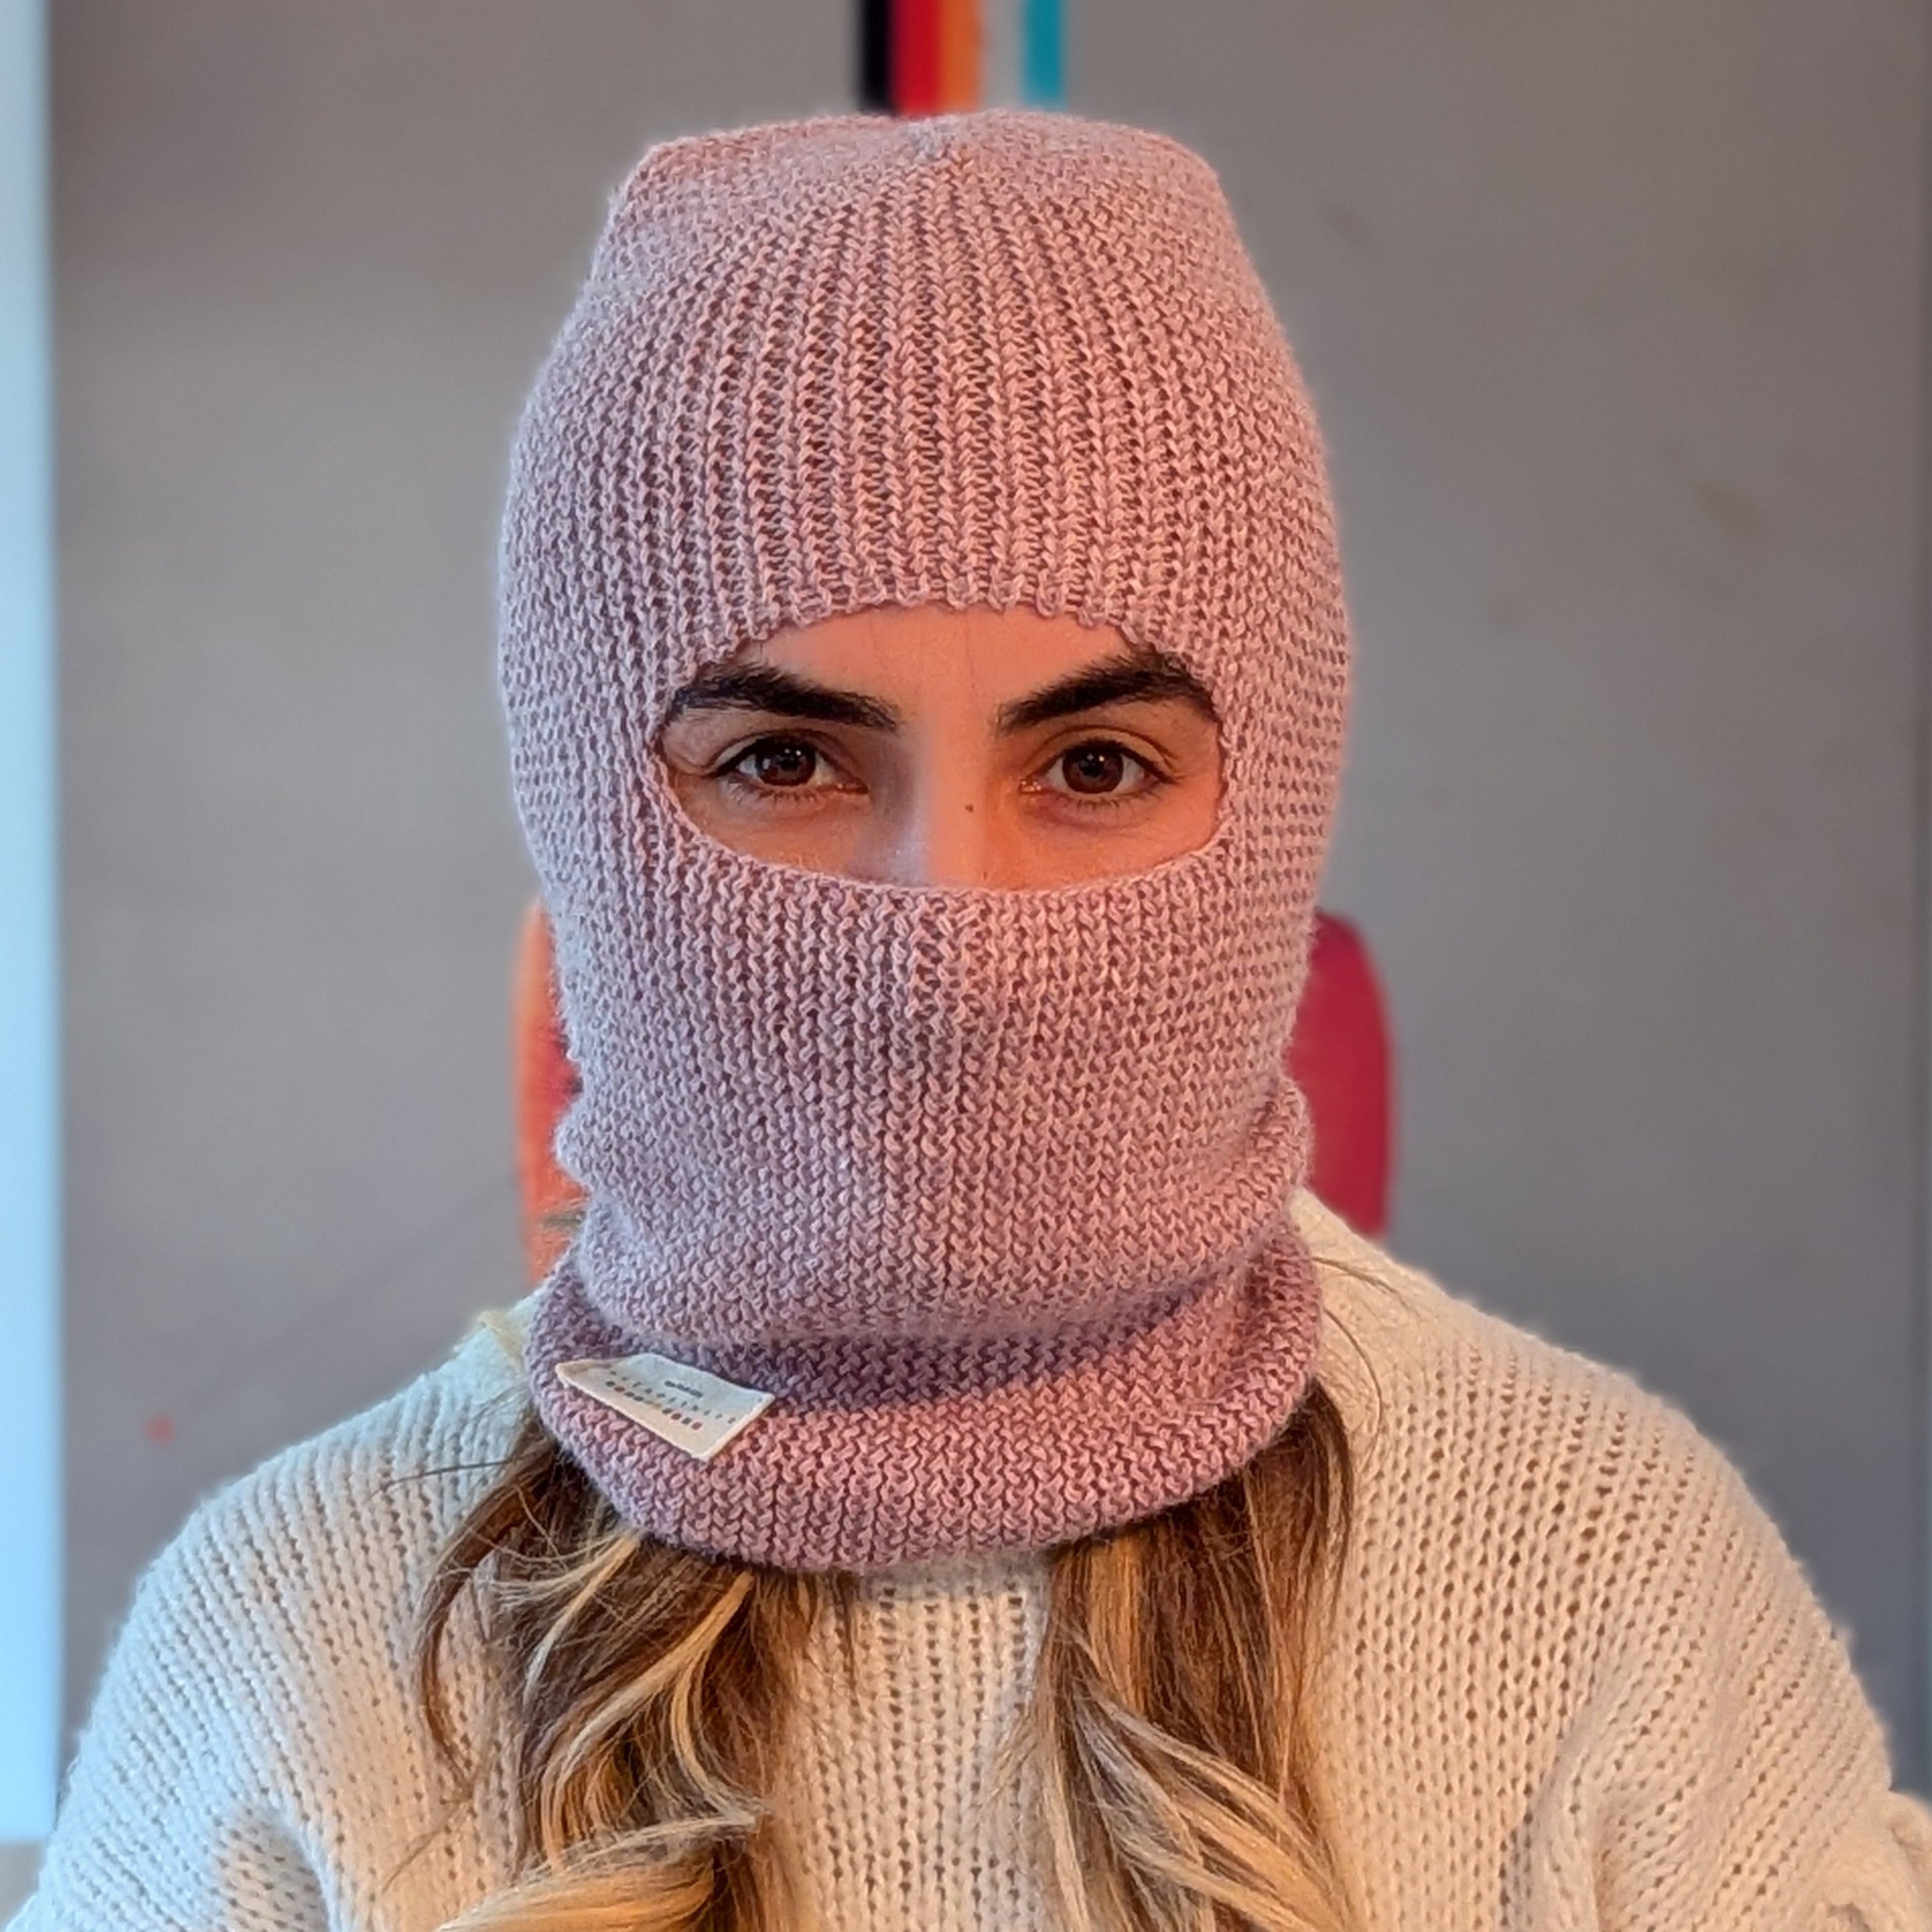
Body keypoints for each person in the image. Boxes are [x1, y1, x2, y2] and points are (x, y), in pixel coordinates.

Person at [15, 111, 1932, 1932]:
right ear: (585, 814)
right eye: (784, 757)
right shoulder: (303, 1626)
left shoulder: (1594, 1571)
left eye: (1093, 760)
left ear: (1272, 803)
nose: (953, 925)